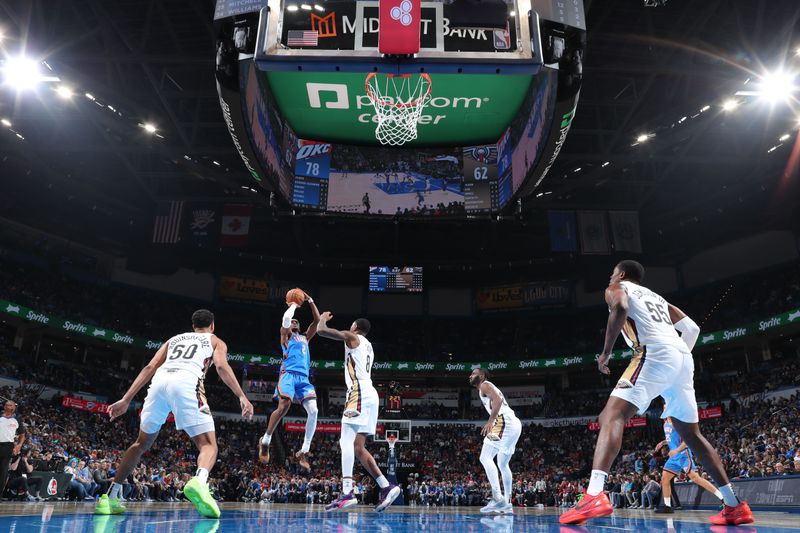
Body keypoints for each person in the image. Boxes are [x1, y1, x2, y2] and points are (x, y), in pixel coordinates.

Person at [559, 260, 754, 526]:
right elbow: (692, 329)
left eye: (612, 274)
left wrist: (605, 354)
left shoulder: (617, 287)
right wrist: (674, 365)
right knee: (692, 435)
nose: (610, 278)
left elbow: (620, 307)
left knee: (611, 415)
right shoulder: (658, 298)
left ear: (622, 275)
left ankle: (593, 494)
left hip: (654, 352)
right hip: (683, 358)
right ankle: (734, 506)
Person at [95, 309, 253, 517]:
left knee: (141, 443)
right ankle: (200, 481)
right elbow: (222, 367)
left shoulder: (174, 339)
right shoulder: (215, 341)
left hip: (159, 382)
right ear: (212, 325)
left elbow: (150, 366)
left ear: (193, 325)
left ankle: (109, 497)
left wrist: (126, 399)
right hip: (187, 383)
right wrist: (242, 396)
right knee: (208, 445)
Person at [314, 312, 401, 512]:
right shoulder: (368, 345)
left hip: (359, 392)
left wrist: (323, 319)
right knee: (358, 448)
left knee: (345, 441)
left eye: (351, 325)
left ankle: (347, 492)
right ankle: (386, 487)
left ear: (355, 327)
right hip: (370, 394)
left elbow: (321, 332)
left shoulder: (354, 337)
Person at [259, 292, 320, 470]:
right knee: (284, 404)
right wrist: (294, 304)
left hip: (303, 379)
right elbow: (286, 318)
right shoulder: (285, 337)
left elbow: (316, 322)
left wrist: (310, 300)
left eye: (296, 322)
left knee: (314, 410)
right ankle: (266, 440)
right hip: (288, 375)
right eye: (293, 321)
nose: (294, 322)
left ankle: (304, 451)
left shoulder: (305, 338)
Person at [469, 368, 521, 515]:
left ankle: (498, 499)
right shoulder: (484, 388)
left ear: (482, 375)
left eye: (474, 373)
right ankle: (507, 504)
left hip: (504, 421)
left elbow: (497, 400)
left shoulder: (485, 385)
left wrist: (491, 420)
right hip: (514, 424)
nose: (470, 375)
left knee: (485, 457)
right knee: (502, 464)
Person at [654, 416, 725, 513]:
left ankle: (723, 498)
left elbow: (687, 441)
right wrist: (663, 442)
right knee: (664, 479)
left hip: (683, 454)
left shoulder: (678, 422)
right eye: (664, 407)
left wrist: (677, 450)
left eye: (667, 406)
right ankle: (668, 507)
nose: (665, 409)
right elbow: (672, 438)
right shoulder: (665, 423)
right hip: (674, 458)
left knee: (696, 478)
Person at [0, 400, 25, 496]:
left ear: (14, 407)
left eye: (10, 405)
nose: (7, 406)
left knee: (3, 472)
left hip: (8, 446)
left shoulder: (17, 419)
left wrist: (19, 445)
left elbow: (22, 435)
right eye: (6, 405)